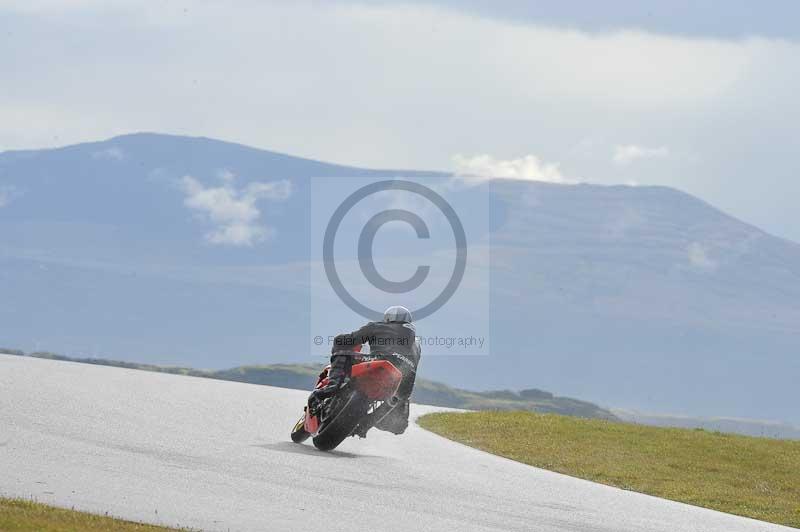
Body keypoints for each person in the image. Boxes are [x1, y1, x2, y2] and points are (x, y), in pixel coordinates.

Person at [309, 305, 421, 435]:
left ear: (388, 318)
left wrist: (340, 341)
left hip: (380, 361)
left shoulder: (378, 326)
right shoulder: (417, 344)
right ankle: (365, 425)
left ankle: (330, 388)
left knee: (342, 351)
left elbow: (351, 339)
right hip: (405, 380)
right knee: (395, 403)